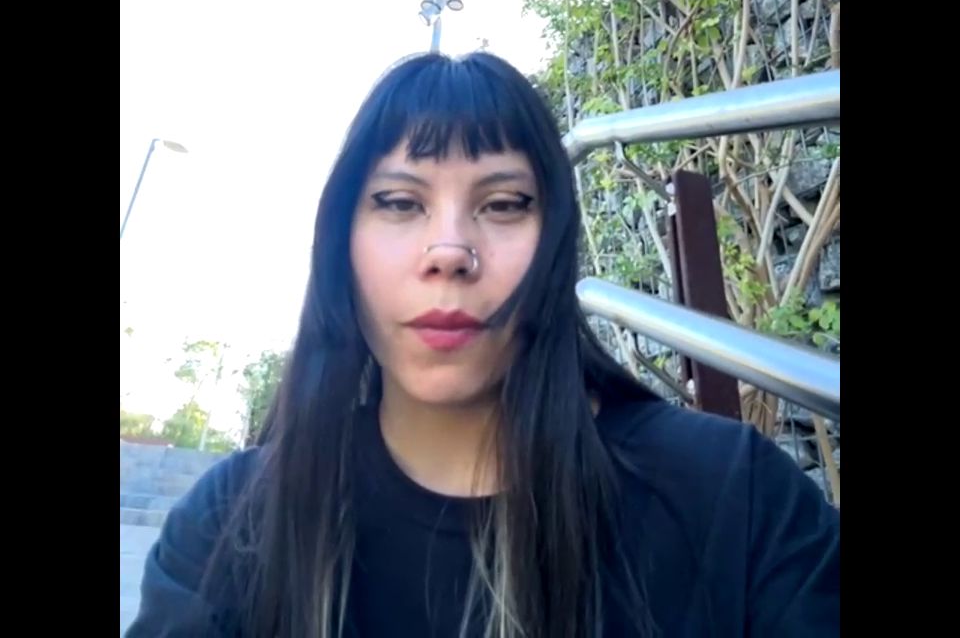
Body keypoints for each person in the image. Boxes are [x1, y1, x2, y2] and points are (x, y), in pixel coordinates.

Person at [128, 51, 839, 638]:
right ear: (340, 243)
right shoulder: (231, 525)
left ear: (557, 244)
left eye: (502, 205)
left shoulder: (734, 498)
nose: (449, 251)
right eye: (399, 202)